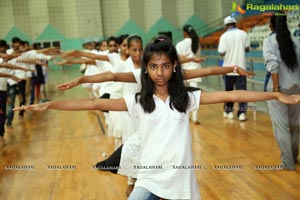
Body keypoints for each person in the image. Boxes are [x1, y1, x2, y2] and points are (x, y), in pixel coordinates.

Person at [14, 35, 300, 199]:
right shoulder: (138, 101)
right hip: (149, 177)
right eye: (153, 66)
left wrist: (275, 95)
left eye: (165, 66)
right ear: (146, 70)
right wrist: (49, 105)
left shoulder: (185, 98)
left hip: (180, 180)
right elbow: (91, 102)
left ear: (174, 67)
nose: (160, 71)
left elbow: (233, 96)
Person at [263, 13, 300, 170]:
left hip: (278, 89)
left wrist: (277, 90)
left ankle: (288, 163)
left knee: (282, 127)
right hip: (296, 87)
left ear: (271, 25)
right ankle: (294, 157)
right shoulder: (296, 41)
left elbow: (273, 65)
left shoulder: (269, 41)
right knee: (295, 125)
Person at [218, 15, 250, 121]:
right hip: (241, 68)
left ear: (226, 25)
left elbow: (221, 53)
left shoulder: (224, 36)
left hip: (228, 69)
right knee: (243, 93)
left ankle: (229, 111)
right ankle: (242, 114)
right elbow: (247, 49)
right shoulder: (243, 33)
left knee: (229, 92)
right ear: (235, 23)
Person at [176, 24, 202, 125]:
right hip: (195, 72)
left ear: (185, 33)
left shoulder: (180, 44)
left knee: (183, 96)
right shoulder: (197, 43)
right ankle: (195, 118)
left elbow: (178, 60)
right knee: (195, 96)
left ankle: (185, 117)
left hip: (184, 72)